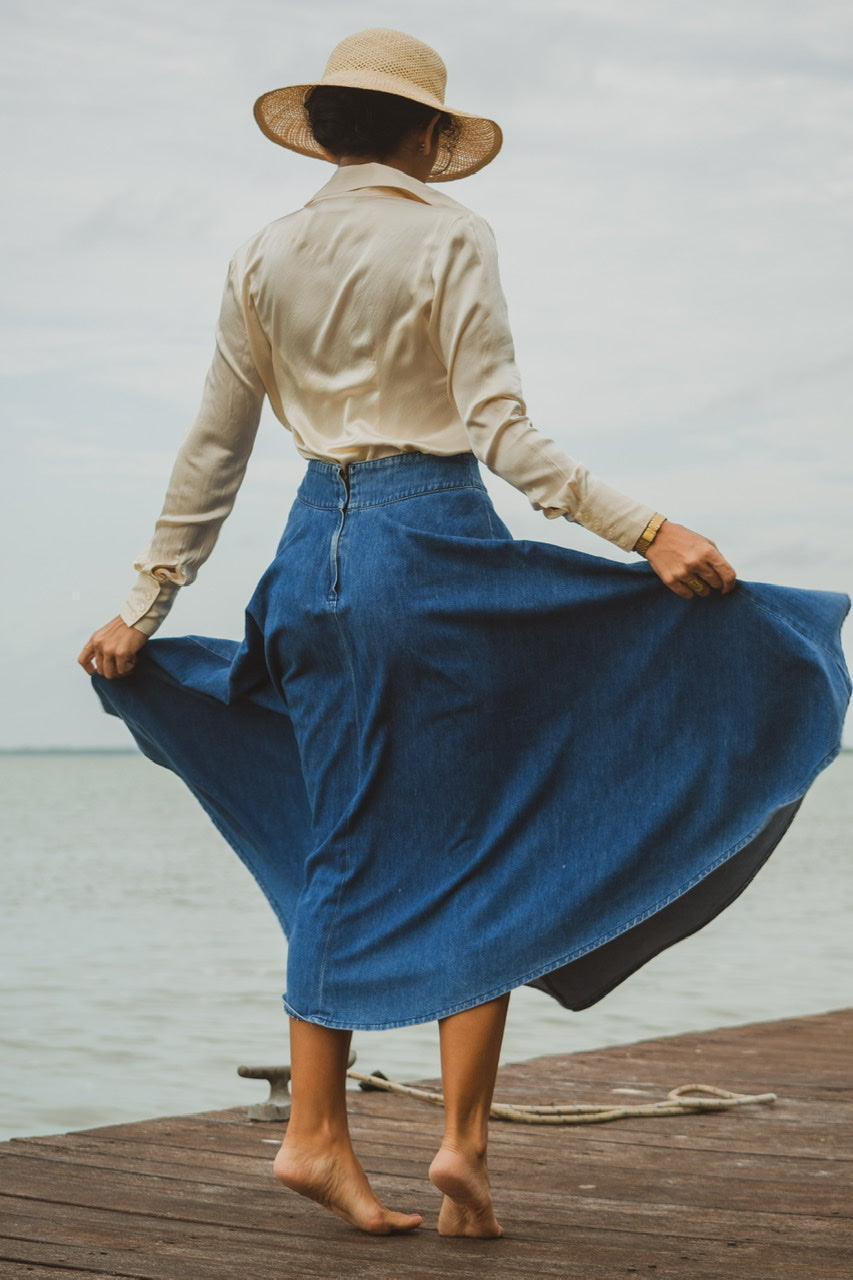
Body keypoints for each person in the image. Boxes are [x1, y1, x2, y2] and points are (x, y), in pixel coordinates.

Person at [78, 29, 850, 1239]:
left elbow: (214, 447)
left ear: (327, 129)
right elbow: (501, 429)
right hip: (430, 546)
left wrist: (149, 601)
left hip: (305, 560)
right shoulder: (449, 235)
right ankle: (460, 1146)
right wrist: (644, 528)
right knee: (484, 832)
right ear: (428, 138)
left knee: (343, 839)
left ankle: (314, 1132)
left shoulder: (261, 255)